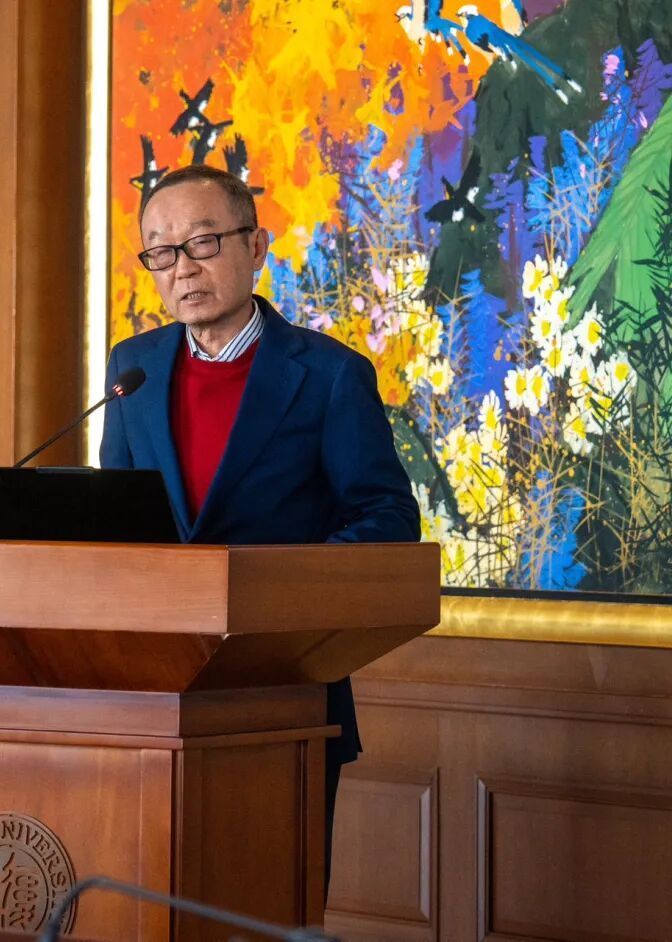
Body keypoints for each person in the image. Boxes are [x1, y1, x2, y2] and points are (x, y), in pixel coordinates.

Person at [100, 164, 420, 892]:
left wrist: (269, 585)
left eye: (202, 242)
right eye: (161, 252)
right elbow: (119, 521)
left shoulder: (329, 375)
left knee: (269, 904)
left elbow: (388, 518)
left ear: (256, 246)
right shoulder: (132, 371)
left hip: (283, 692)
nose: (182, 269)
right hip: (149, 699)